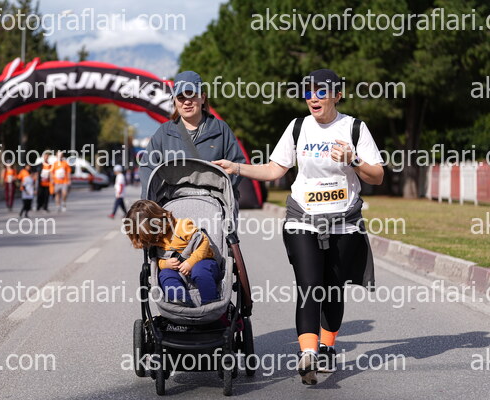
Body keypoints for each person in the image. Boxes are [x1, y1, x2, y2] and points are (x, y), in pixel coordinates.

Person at [214, 69, 384, 385]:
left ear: (337, 95)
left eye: (321, 92)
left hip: (344, 223)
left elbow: (377, 175)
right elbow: (275, 169)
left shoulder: (354, 128)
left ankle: (327, 346)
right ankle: (308, 354)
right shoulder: (297, 128)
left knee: (332, 288)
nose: (313, 98)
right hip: (302, 219)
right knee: (309, 286)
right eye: (308, 92)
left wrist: (354, 160)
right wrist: (236, 167)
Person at [139, 71, 245, 203]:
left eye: (192, 95)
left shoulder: (221, 129)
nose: (187, 102)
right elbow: (147, 167)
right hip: (174, 207)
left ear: (203, 98)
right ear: (175, 101)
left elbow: (237, 164)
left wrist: (221, 193)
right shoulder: (164, 133)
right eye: (181, 97)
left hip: (213, 206)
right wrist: (150, 203)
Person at [125, 199, 221, 306]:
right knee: (165, 275)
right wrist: (165, 264)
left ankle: (210, 303)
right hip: (178, 274)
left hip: (203, 264)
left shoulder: (183, 226)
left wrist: (191, 262)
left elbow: (203, 241)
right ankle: (181, 300)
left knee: (200, 270)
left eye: (154, 237)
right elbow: (157, 259)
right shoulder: (154, 240)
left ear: (159, 223)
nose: (155, 241)